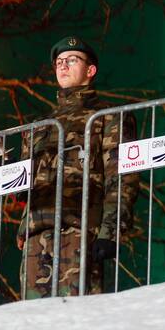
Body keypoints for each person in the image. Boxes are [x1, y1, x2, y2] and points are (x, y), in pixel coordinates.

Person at [18, 36, 138, 298]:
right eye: (59, 62)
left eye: (72, 60)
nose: (63, 66)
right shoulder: (39, 125)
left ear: (90, 70)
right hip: (37, 231)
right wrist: (8, 172)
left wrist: (111, 230)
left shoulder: (108, 115)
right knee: (30, 319)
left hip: (81, 228)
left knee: (77, 315)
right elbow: (23, 185)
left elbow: (121, 176)